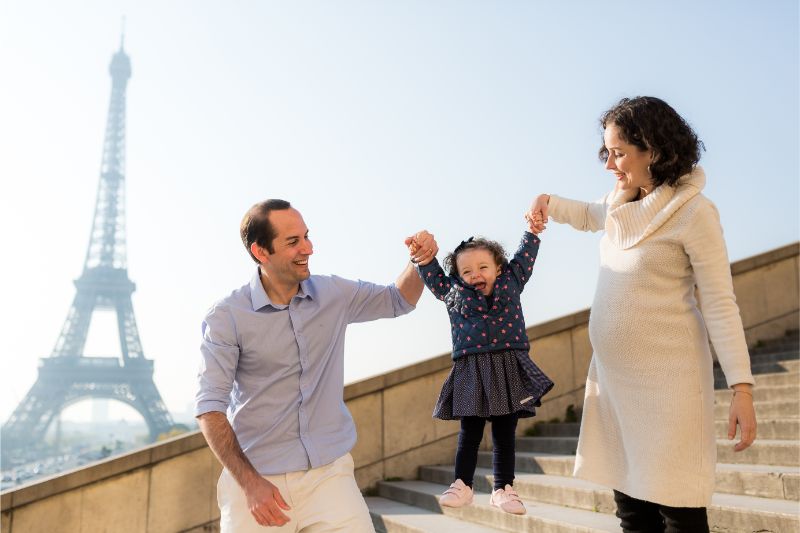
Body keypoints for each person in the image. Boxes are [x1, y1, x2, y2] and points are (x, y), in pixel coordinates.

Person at [527, 96, 757, 532]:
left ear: (652, 150)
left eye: (618, 153)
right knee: (632, 515)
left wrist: (741, 388)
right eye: (607, 152)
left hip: (670, 388)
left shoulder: (694, 212)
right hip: (616, 386)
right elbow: (588, 214)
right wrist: (547, 202)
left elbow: (720, 303)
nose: (609, 164)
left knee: (678, 512)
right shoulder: (620, 203)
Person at [195, 199, 432, 532]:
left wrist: (420, 260)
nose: (308, 248)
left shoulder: (333, 293)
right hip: (257, 482)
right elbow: (210, 408)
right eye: (293, 242)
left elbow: (398, 299)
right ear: (261, 252)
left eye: (306, 236)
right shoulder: (226, 316)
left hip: (329, 479)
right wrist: (250, 484)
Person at [406, 221, 553, 516]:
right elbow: (431, 273)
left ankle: (503, 488)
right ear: (458, 276)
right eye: (467, 271)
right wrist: (421, 253)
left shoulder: (512, 281)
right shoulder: (451, 292)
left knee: (504, 433)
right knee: (470, 431)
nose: (475, 275)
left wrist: (533, 231)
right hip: (472, 367)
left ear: (498, 267)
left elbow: (525, 256)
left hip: (507, 363)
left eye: (483, 267)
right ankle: (462, 485)